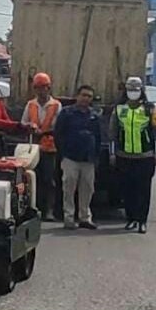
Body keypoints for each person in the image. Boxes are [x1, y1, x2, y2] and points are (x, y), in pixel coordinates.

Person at [110, 76, 156, 234]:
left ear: (141, 91)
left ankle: (142, 221)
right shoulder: (119, 109)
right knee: (127, 190)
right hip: (124, 156)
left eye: (136, 90)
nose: (133, 93)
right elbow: (113, 133)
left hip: (145, 157)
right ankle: (131, 218)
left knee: (143, 190)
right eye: (130, 89)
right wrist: (113, 153)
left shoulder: (149, 108)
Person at [55, 84, 101, 230]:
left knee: (87, 189)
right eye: (83, 95)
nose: (85, 98)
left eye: (89, 96)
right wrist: (62, 153)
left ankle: (85, 218)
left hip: (88, 159)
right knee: (68, 188)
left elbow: (98, 137)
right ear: (77, 96)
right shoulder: (67, 113)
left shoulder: (94, 115)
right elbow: (58, 134)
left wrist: (96, 156)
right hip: (70, 158)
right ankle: (69, 218)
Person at [22, 72, 63, 222]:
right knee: (32, 179)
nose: (40, 91)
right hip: (32, 148)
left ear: (49, 88)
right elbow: (24, 122)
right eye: (37, 88)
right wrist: (30, 127)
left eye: (43, 87)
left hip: (49, 147)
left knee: (49, 180)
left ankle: (49, 211)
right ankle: (33, 208)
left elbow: (59, 126)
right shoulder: (30, 105)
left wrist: (44, 131)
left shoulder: (56, 105)